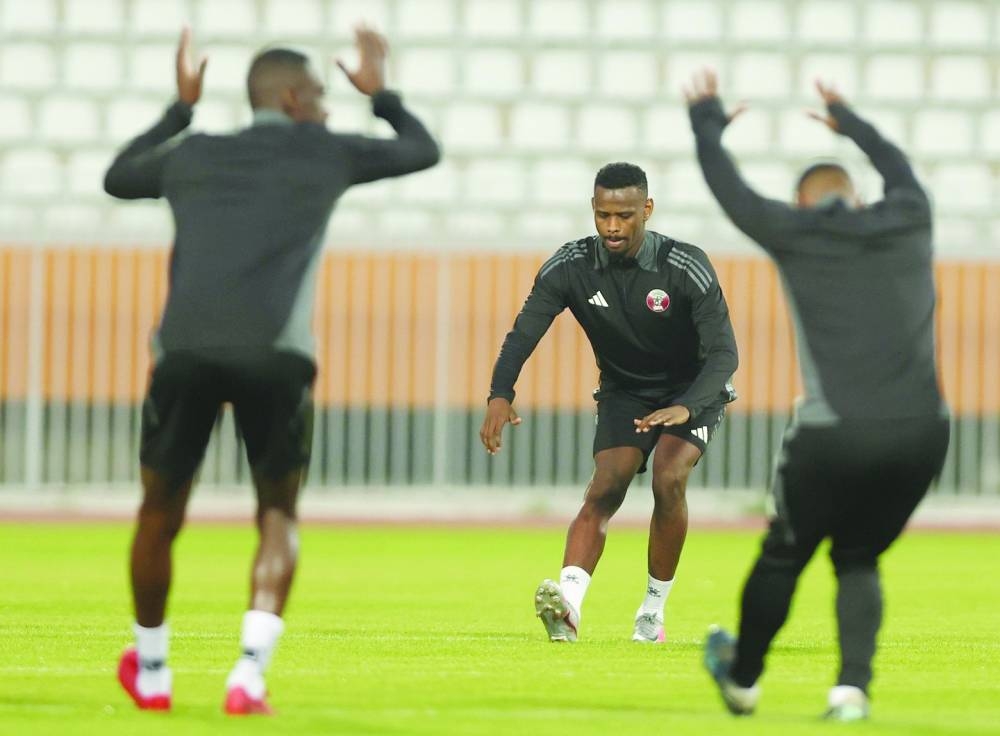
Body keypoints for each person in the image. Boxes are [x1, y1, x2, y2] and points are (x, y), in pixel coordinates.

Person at [104, 26, 439, 715]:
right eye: (318, 93)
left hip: (185, 350)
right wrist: (383, 97)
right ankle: (248, 677)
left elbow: (117, 176)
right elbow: (421, 151)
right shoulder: (322, 151)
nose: (325, 105)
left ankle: (156, 671)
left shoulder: (193, 153)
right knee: (278, 514)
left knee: (159, 512)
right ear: (291, 97)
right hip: (276, 355)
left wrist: (178, 110)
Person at [685, 69, 949, 721]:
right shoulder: (910, 217)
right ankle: (850, 691)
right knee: (857, 555)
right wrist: (850, 120)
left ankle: (744, 680)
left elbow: (730, 192)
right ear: (856, 197)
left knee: (785, 553)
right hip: (925, 432)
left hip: (836, 433)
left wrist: (706, 122)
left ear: (803, 204)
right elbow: (901, 168)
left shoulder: (795, 232)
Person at [480, 162, 738, 644]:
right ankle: (569, 608)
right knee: (605, 485)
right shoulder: (570, 265)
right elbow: (523, 333)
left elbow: (725, 353)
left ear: (647, 209)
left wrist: (688, 406)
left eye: (623, 215)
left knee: (668, 477)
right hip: (626, 392)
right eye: (602, 216)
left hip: (693, 390)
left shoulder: (686, 265)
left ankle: (651, 614)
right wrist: (500, 393)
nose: (613, 227)